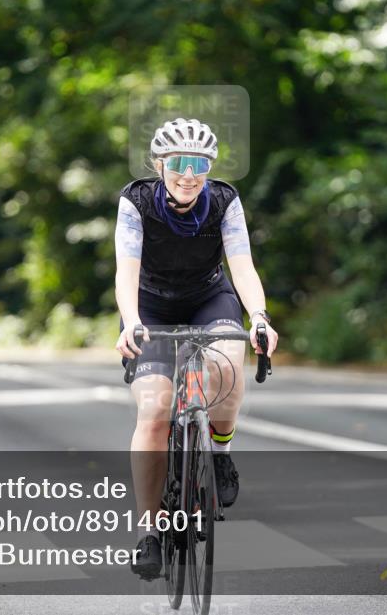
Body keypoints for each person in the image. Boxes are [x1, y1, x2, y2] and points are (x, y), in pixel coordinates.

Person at [113, 117, 279, 579]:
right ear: (159, 164)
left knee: (227, 366)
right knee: (154, 410)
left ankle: (220, 456)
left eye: (200, 163)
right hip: (150, 304)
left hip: (210, 296)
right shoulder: (136, 200)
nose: (189, 173)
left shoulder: (225, 200)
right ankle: (149, 531)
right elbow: (125, 270)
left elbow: (241, 265)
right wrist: (131, 323)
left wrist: (260, 316)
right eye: (179, 163)